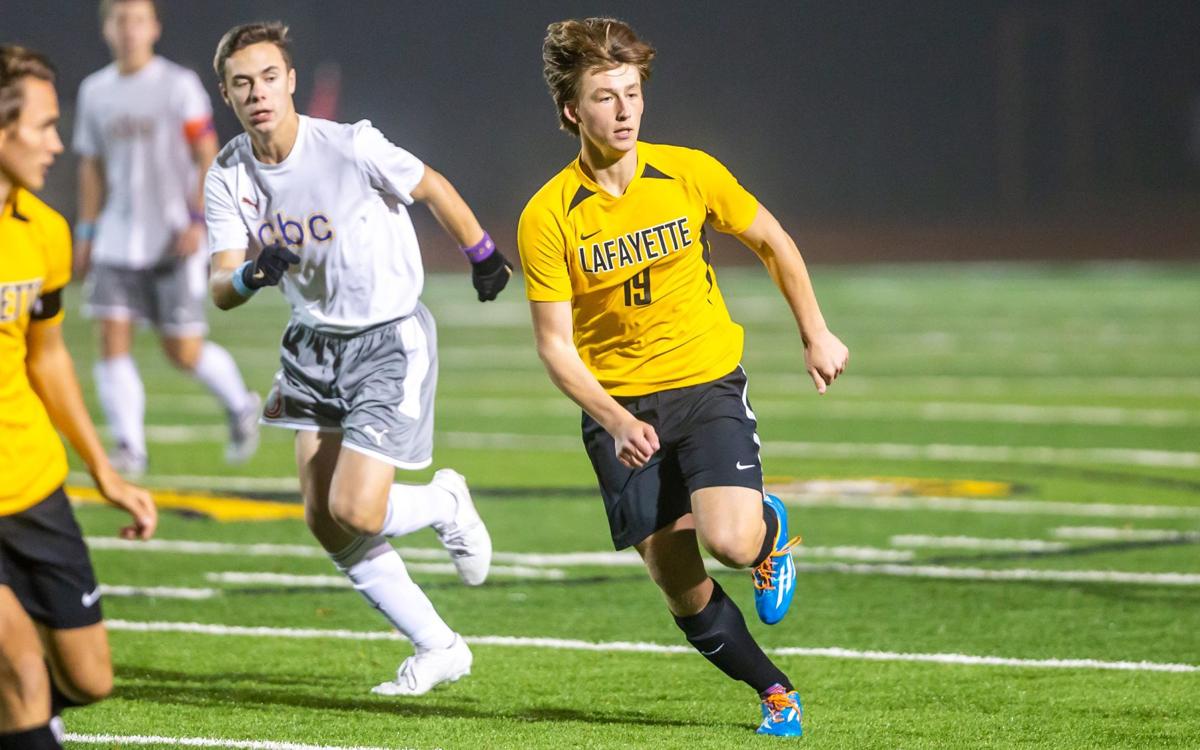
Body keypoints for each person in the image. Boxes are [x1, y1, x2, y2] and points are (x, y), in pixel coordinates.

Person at [517, 18, 850, 737]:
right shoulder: (548, 216)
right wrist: (614, 419)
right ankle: (775, 693)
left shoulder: (689, 171)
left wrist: (815, 331)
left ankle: (767, 535)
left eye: (632, 92)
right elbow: (555, 346)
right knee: (679, 583)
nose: (626, 110)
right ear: (573, 111)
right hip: (620, 409)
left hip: (704, 385)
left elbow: (771, 239)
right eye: (606, 97)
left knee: (730, 542)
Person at [204, 21, 512, 696]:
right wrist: (254, 276)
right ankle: (440, 646)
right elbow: (220, 287)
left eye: (268, 78)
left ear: (290, 81)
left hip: (386, 341)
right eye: (242, 83)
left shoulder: (349, 145)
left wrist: (482, 253)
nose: (258, 93)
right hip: (312, 344)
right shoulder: (229, 171)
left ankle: (444, 502)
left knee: (359, 509)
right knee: (322, 516)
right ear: (227, 94)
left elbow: (429, 184)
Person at [0, 45, 157, 750]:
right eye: (43, 127)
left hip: (34, 487)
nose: (59, 144)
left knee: (88, 679)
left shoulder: (46, 234)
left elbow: (49, 356)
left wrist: (104, 467)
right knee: (23, 679)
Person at [73, 0, 259, 476]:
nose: (129, 29)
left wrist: (197, 218)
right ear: (106, 29)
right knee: (111, 339)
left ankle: (240, 405)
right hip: (117, 237)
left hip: (174, 236)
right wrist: (87, 230)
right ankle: (129, 447)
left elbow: (205, 154)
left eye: (137, 19)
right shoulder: (95, 92)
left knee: (183, 351)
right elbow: (91, 166)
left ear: (153, 26)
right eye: (120, 20)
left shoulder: (178, 86)